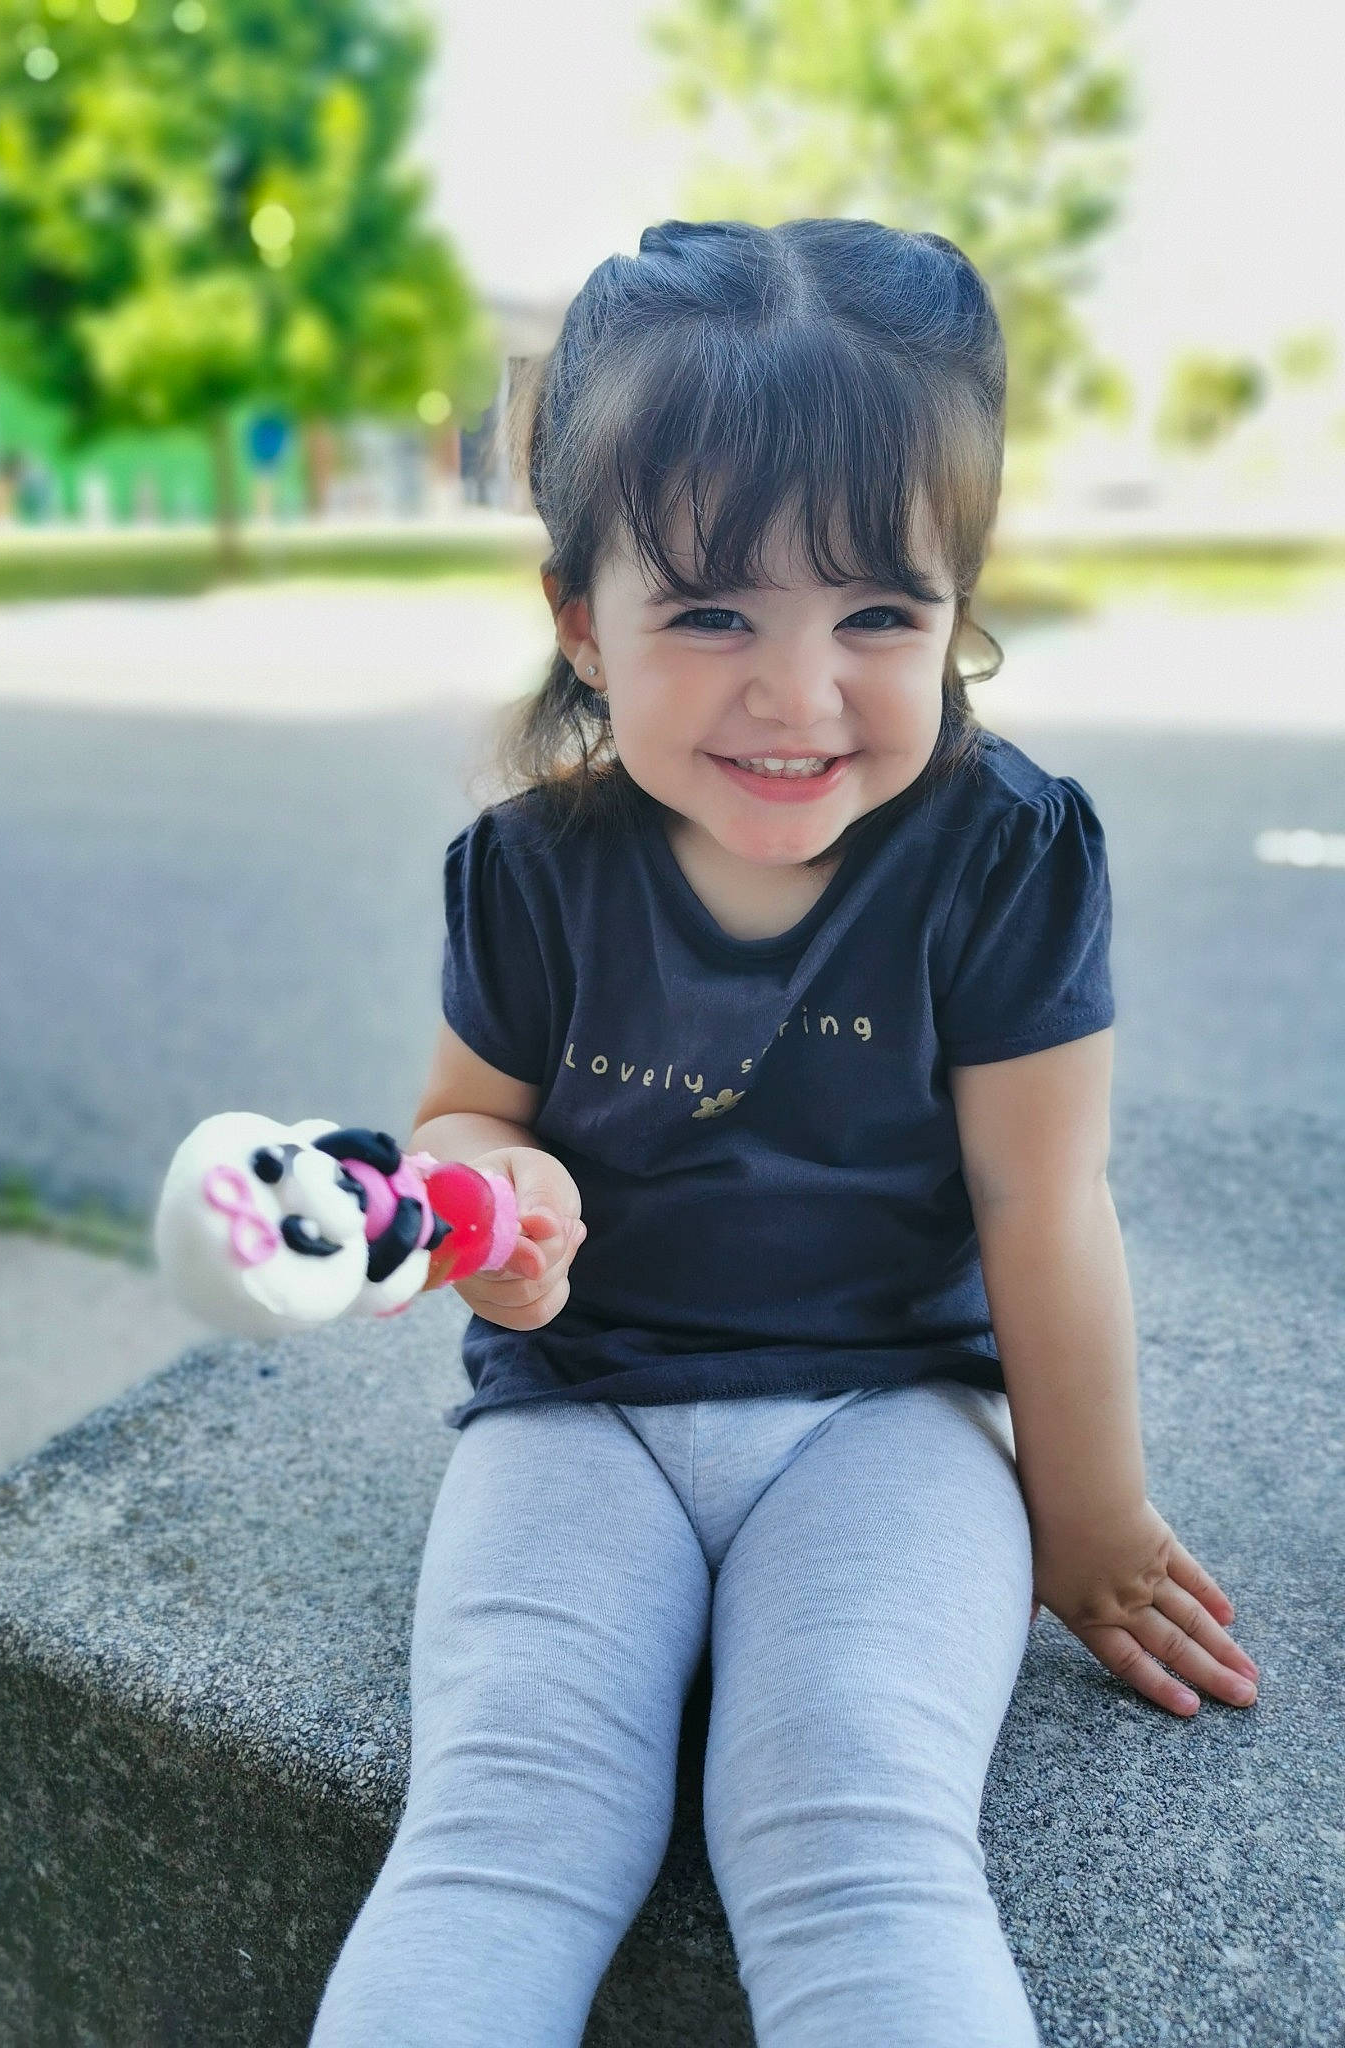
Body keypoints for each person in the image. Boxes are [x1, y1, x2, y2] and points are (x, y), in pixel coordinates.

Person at [309, 217, 1261, 2048]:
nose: (800, 692)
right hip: (582, 1416)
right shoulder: (531, 872)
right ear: (581, 614)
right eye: (714, 610)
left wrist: (1090, 1520)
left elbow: (1041, 1206)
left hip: (887, 1422)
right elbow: (461, 1120)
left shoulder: (1004, 854)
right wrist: (484, 1205)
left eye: (878, 614)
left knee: (854, 1827)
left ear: (958, 608)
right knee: (502, 1823)